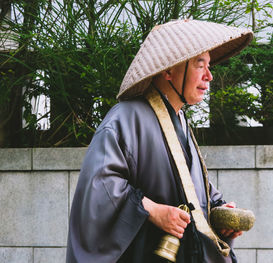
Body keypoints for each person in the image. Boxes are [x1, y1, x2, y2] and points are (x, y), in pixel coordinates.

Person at [66, 19, 253, 263]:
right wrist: (151, 210)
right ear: (168, 71)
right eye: (200, 65)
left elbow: (197, 193)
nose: (209, 76)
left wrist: (220, 212)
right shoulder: (125, 118)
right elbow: (100, 187)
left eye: (209, 66)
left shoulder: (181, 121)